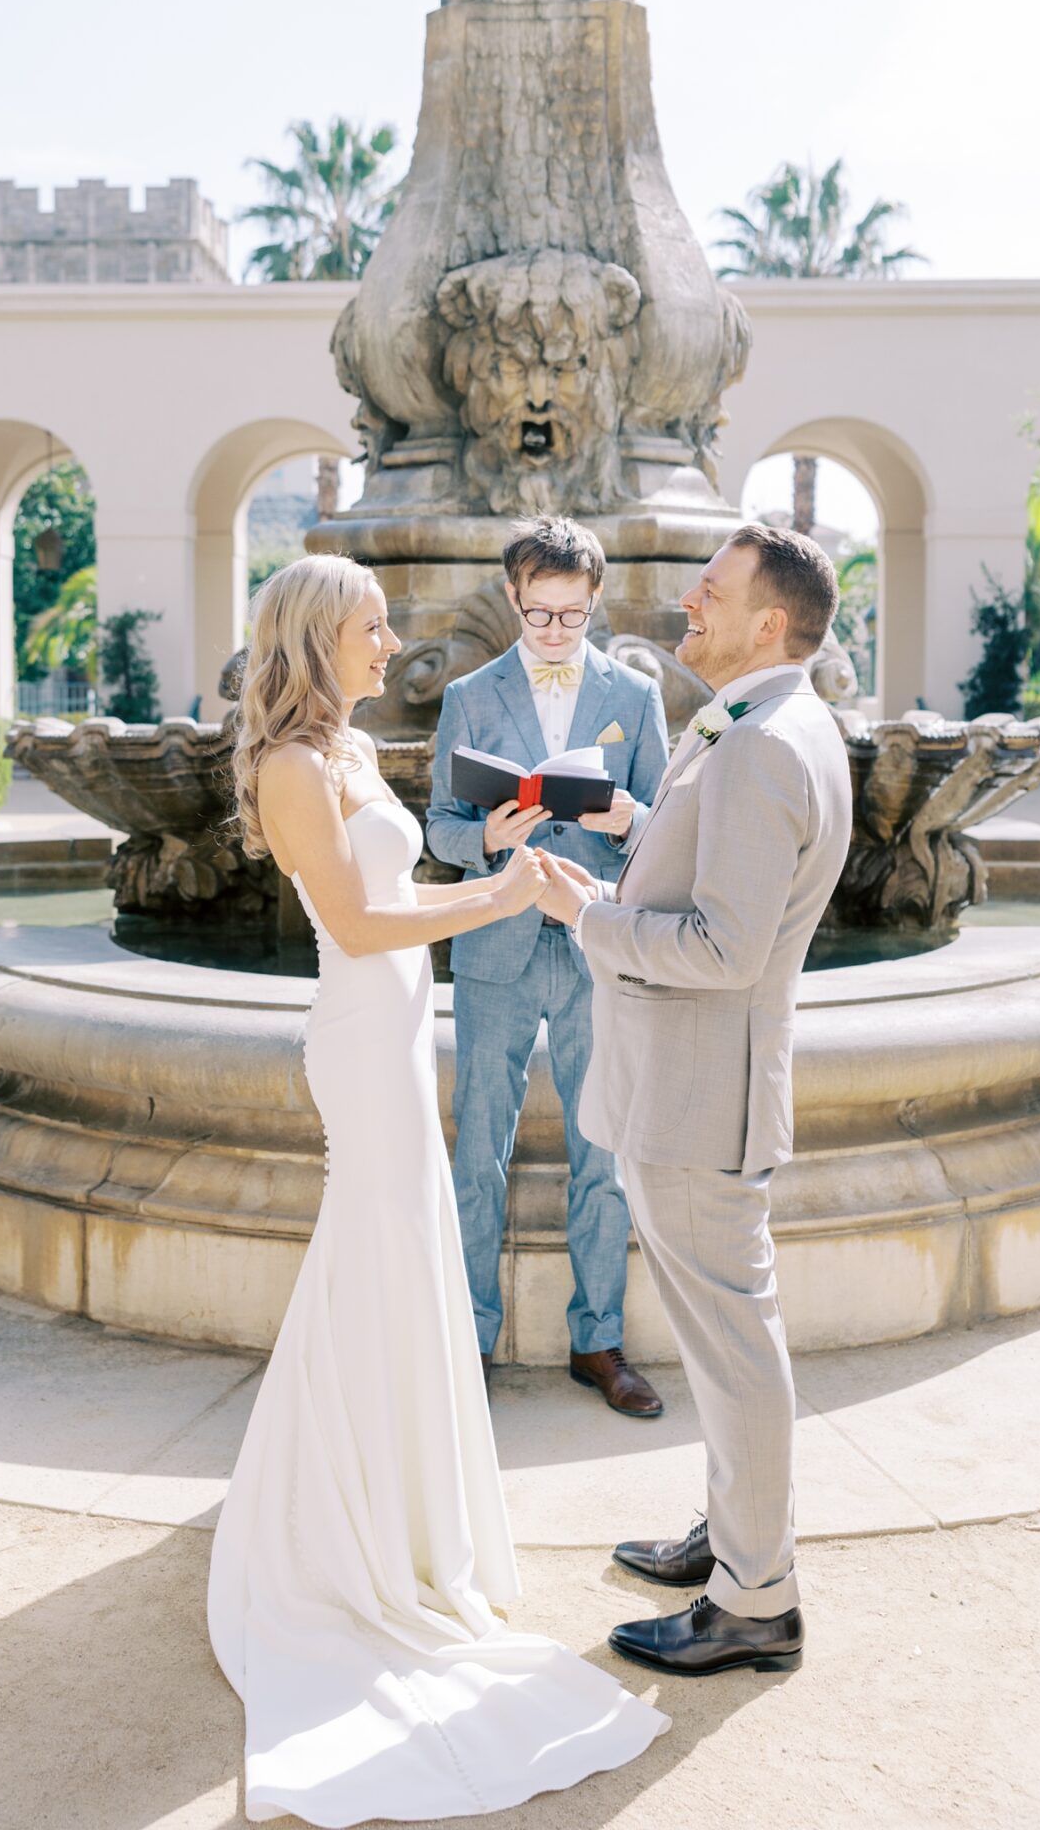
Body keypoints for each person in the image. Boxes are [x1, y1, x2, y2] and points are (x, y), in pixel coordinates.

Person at [207, 554, 667, 1826]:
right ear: (317, 636)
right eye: (370, 625)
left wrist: (496, 869)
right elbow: (358, 924)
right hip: (360, 1039)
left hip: (402, 1032)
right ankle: (332, 1528)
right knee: (374, 1249)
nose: (387, 640)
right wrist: (504, 893)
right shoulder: (295, 768)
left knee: (396, 1257)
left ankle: (391, 1511)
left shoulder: (348, 751)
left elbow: (400, 889)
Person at [536, 521, 853, 1677]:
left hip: (699, 1097)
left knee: (732, 1347)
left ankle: (755, 1600)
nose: (689, 606)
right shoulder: (767, 721)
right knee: (729, 1341)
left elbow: (723, 948)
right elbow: (714, 873)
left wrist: (589, 919)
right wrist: (626, 847)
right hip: (691, 1086)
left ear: (770, 622)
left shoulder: (767, 742)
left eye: (711, 593)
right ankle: (733, 1539)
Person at [427, 515, 670, 1410]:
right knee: (476, 1155)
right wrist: (483, 837)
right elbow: (440, 829)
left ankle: (597, 1342)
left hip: (594, 946)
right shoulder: (468, 694)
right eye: (539, 616)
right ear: (512, 599)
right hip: (495, 945)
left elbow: (665, 829)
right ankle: (469, 1339)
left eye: (571, 615)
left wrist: (627, 821)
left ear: (595, 600)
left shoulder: (636, 695)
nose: (556, 631)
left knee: (600, 1149)